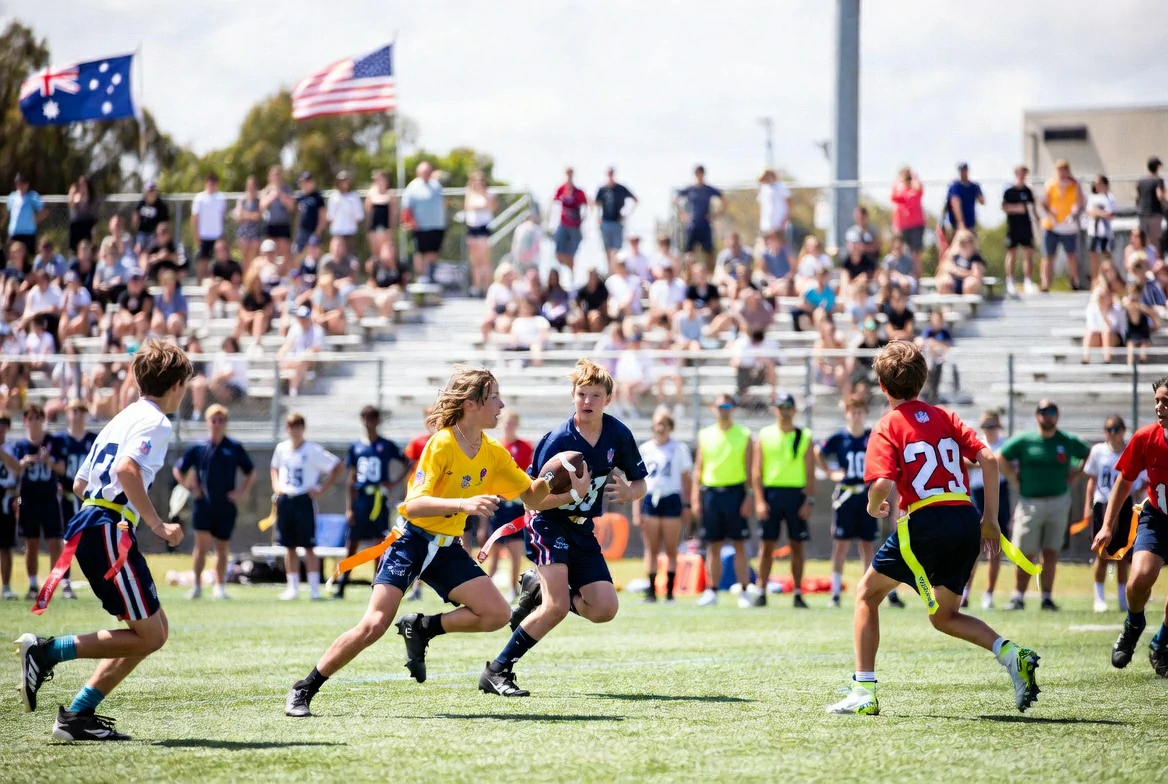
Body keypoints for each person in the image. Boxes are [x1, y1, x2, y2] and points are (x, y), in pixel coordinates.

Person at [286, 368, 551, 714]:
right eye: (494, 397)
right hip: (410, 542)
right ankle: (304, 688)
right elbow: (413, 505)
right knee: (374, 625)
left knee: (497, 614)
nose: (501, 404)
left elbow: (533, 496)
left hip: (446, 548)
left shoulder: (493, 451)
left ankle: (422, 627)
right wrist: (464, 505)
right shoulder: (442, 443)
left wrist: (564, 480)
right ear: (472, 404)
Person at [826, 340, 1041, 716]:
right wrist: (990, 520)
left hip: (925, 521)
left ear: (882, 386)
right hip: (965, 518)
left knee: (866, 596)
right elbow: (988, 459)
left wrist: (873, 506)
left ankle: (863, 691)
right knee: (944, 616)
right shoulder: (945, 416)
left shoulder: (887, 425)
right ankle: (1011, 654)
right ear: (922, 381)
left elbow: (881, 484)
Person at [16, 340, 190, 741]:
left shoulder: (120, 418)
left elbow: (80, 484)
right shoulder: (157, 422)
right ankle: (46, 652)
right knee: (151, 635)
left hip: (94, 524)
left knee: (153, 631)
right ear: (177, 385)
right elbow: (127, 470)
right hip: (109, 529)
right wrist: (157, 525)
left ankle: (78, 716)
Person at [482, 359, 645, 697]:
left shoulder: (618, 434)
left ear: (608, 399)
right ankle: (497, 670)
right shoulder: (557, 440)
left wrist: (631, 493)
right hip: (548, 523)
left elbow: (640, 482)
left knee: (604, 609)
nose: (587, 401)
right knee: (555, 608)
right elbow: (531, 500)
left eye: (595, 395)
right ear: (572, 395)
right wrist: (573, 494)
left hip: (583, 529)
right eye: (582, 394)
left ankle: (537, 587)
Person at [1094, 377, 1168, 677]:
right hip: (1157, 518)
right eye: (1157, 401)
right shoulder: (1146, 437)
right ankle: (1133, 624)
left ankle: (1161, 643)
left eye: (1166, 401)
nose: (1159, 407)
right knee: (1139, 578)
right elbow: (1124, 481)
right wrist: (1107, 526)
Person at [997, 399, 1091, 611]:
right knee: (1025, 552)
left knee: (1050, 552)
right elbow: (1001, 457)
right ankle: (1018, 596)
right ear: (1036, 415)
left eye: (1051, 411)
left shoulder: (1066, 440)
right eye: (1042, 411)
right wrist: (1013, 479)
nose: (1047, 415)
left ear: (1057, 415)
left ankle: (1047, 597)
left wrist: (1076, 475)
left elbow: (1089, 454)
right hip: (1030, 503)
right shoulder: (1025, 440)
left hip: (1059, 502)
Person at [173, 405, 256, 600]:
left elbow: (250, 471)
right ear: (207, 422)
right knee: (201, 547)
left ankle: (220, 586)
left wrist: (240, 493)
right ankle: (196, 586)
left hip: (225, 505)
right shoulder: (199, 448)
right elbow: (178, 469)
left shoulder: (233, 447)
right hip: (203, 505)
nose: (217, 424)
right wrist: (190, 487)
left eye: (221, 420)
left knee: (222, 548)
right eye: (214, 420)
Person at [334, 406, 406, 600]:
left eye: (372, 418)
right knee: (352, 542)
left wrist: (393, 483)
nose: (369, 422)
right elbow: (351, 478)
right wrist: (349, 507)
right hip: (361, 498)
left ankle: (377, 585)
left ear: (378, 421)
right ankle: (342, 585)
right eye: (365, 418)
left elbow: (407, 463)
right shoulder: (356, 447)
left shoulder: (386, 445)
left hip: (378, 499)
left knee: (379, 543)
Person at [270, 413, 344, 601]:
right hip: (286, 499)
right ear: (287, 429)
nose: (294, 430)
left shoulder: (312, 450)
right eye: (291, 426)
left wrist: (321, 489)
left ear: (303, 428)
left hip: (304, 499)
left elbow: (336, 466)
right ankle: (292, 588)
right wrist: (276, 485)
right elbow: (274, 467)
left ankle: (314, 589)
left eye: (298, 426)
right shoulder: (281, 448)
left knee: (309, 546)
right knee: (289, 546)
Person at [751, 392, 815, 609]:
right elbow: (756, 472)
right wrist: (759, 500)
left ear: (794, 410)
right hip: (772, 495)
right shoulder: (764, 435)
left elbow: (810, 472)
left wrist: (808, 500)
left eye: (788, 407)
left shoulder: (804, 435)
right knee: (766, 546)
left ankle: (797, 592)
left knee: (797, 545)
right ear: (774, 410)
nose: (784, 411)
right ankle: (761, 591)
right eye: (780, 407)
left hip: (796, 495)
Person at [691, 394, 753, 607]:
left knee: (739, 544)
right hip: (711, 494)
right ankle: (712, 590)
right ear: (713, 408)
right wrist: (695, 498)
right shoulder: (705, 435)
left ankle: (744, 591)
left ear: (733, 408)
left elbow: (750, 469)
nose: (723, 409)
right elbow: (698, 468)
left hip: (735, 493)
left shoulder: (744, 434)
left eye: (727, 405)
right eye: (719, 406)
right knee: (713, 545)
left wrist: (749, 496)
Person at [818, 395, 879, 608]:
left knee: (867, 544)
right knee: (841, 544)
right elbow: (819, 452)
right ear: (846, 413)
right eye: (853, 412)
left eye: (860, 412)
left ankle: (866, 591)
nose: (856, 416)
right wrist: (830, 473)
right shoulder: (839, 437)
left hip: (867, 495)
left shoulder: (872, 437)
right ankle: (835, 592)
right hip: (846, 496)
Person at [5, 405, 67, 600]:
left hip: (49, 499)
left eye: (38, 417)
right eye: (30, 418)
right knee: (31, 544)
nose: (34, 422)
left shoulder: (53, 442)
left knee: (55, 542)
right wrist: (23, 463)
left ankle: (52, 585)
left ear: (43, 420)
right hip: (29, 500)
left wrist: (48, 461)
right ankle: (32, 585)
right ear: (25, 421)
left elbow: (62, 469)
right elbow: (14, 470)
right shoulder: (20, 445)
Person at [1083, 415, 1143, 614]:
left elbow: (1142, 479)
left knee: (1122, 554)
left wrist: (1135, 494)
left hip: (1125, 505)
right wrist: (1087, 506)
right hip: (1102, 504)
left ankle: (1122, 597)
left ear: (1123, 430)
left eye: (1116, 429)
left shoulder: (1131, 451)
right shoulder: (1098, 451)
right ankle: (1099, 597)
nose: (1112, 433)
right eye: (1108, 429)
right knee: (1101, 552)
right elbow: (1092, 479)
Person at [633, 407, 691, 604]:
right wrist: (637, 510)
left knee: (671, 548)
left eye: (664, 424)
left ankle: (670, 592)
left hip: (671, 498)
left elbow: (685, 479)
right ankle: (651, 591)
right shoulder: (645, 449)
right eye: (657, 424)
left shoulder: (679, 448)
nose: (660, 428)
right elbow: (638, 481)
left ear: (670, 427)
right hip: (650, 499)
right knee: (651, 549)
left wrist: (687, 505)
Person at [481, 410, 533, 595]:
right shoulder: (495, 446)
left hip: (516, 506)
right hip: (498, 505)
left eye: (512, 422)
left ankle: (513, 589)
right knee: (493, 550)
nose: (508, 425)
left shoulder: (525, 447)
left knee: (515, 549)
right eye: (506, 422)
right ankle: (486, 590)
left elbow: (528, 475)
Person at [963, 411, 1012, 610]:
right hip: (977, 494)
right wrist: (988, 463)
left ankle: (988, 595)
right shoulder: (977, 443)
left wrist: (985, 463)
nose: (989, 430)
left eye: (992, 426)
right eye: (986, 426)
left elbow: (1005, 464)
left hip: (998, 494)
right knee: (972, 548)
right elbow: (965, 461)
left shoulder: (1005, 445)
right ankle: (965, 593)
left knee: (994, 548)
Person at [58, 399, 97, 594]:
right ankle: (65, 579)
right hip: (66, 497)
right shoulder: (59, 441)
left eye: (82, 411)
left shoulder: (94, 440)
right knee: (67, 540)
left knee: (94, 539)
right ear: (67, 413)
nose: (78, 415)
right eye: (74, 410)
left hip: (89, 498)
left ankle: (99, 577)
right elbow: (55, 467)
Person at [1040, 160, 1086, 290]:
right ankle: (1045, 283)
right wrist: (1050, 213)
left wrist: (1074, 214)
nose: (1062, 173)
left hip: (1068, 227)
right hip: (1052, 226)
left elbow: (1080, 203)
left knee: (1071, 255)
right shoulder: (1050, 184)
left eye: (1064, 170)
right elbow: (1044, 202)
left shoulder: (1075, 185)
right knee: (1048, 256)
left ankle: (1074, 282)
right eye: (1060, 170)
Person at [401, 161, 447, 282]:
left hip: (437, 225)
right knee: (420, 253)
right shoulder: (413, 186)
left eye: (428, 171)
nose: (426, 174)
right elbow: (406, 208)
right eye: (424, 171)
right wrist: (411, 222)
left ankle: (430, 277)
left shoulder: (436, 185)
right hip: (421, 227)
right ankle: (421, 277)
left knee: (433, 252)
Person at [675, 165, 723, 267]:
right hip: (692, 226)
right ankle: (688, 274)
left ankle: (709, 275)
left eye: (701, 174)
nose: (699, 176)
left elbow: (724, 200)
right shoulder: (690, 189)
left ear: (703, 174)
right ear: (695, 175)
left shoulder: (709, 189)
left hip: (705, 225)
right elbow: (675, 201)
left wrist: (715, 215)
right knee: (689, 254)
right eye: (697, 174)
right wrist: (682, 214)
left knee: (709, 253)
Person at [1002, 165, 1038, 297]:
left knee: (1028, 252)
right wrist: (1019, 208)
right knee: (1012, 252)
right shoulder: (1009, 191)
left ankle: (1027, 280)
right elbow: (1005, 207)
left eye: (1024, 174)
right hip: (1013, 227)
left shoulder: (1028, 191)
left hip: (1026, 227)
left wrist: (1037, 222)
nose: (1022, 176)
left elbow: (1032, 208)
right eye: (1020, 173)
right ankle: (1010, 280)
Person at [463, 171, 497, 296]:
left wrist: (483, 194)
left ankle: (487, 287)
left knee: (485, 260)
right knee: (475, 261)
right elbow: (469, 207)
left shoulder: (490, 193)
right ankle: (476, 287)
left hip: (484, 229)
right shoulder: (469, 194)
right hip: (472, 229)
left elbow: (491, 207)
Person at [595, 166, 637, 264]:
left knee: (616, 249)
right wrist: (598, 217)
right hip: (605, 222)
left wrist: (626, 214)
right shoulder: (602, 189)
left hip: (617, 222)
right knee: (607, 249)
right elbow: (597, 204)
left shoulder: (621, 189)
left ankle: (614, 268)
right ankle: (610, 269)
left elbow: (635, 200)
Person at [551, 167, 588, 272]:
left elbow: (585, 207)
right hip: (563, 224)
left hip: (575, 226)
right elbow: (554, 204)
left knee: (572, 254)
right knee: (558, 252)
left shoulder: (579, 192)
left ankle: (571, 273)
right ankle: (563, 272)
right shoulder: (561, 189)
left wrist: (582, 220)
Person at [890, 167, 925, 273]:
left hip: (916, 226)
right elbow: (892, 195)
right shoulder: (901, 193)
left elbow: (919, 187)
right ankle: (902, 275)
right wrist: (899, 179)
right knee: (900, 251)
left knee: (915, 254)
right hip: (903, 227)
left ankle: (916, 278)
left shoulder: (915, 191)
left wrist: (913, 175)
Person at [191, 173, 227, 276]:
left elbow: (222, 217)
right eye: (210, 182)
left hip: (217, 235)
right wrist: (196, 233)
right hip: (204, 235)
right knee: (202, 262)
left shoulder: (221, 198)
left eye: (214, 182)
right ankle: (200, 282)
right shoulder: (199, 198)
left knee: (220, 261)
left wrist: (223, 234)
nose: (212, 185)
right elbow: (195, 217)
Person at [260, 166, 296, 259]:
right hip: (270, 225)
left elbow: (291, 207)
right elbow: (262, 206)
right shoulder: (266, 190)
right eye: (273, 175)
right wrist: (272, 196)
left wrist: (280, 194)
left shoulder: (287, 189)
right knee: (270, 251)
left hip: (283, 224)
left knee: (285, 253)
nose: (275, 177)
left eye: (277, 175)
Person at [1086, 175, 1117, 281]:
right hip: (1094, 231)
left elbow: (1111, 214)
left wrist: (1098, 212)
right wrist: (1101, 213)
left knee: (1107, 255)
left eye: (1099, 184)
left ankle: (1110, 279)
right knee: (1094, 255)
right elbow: (1090, 212)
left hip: (1106, 232)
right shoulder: (1092, 197)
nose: (1096, 186)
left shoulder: (1110, 197)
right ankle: (1095, 280)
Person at [936, 229, 985, 296]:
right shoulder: (954, 256)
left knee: (969, 284)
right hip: (954, 282)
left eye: (969, 242)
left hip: (968, 284)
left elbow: (976, 273)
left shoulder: (976, 258)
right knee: (945, 283)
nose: (966, 245)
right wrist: (967, 272)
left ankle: (968, 302)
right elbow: (945, 269)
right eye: (962, 242)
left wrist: (958, 272)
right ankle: (947, 303)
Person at [6, 173, 46, 255]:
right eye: (19, 183)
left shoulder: (32, 196)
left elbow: (44, 210)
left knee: (28, 257)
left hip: (28, 234)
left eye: (23, 183)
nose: (21, 186)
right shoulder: (12, 197)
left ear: (27, 184)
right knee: (14, 257)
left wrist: (34, 221)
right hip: (14, 233)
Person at [0, 414, 17, 600]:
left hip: (5, 498)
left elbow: (18, 468)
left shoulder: (12, 447)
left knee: (5, 546)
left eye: (4, 423)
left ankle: (6, 586)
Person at [944, 162, 984, 239]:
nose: (964, 172)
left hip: (970, 223)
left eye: (965, 170)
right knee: (956, 244)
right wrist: (960, 222)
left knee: (971, 243)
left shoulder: (974, 186)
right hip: (955, 224)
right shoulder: (955, 186)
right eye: (962, 170)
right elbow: (955, 203)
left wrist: (976, 188)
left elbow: (982, 201)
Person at [326, 171, 363, 252]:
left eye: (345, 181)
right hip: (337, 233)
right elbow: (330, 217)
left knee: (350, 256)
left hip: (350, 232)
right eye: (341, 181)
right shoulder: (333, 197)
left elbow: (359, 216)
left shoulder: (354, 197)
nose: (343, 183)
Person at [1135, 156, 1165, 254]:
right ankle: (1154, 261)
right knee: (1155, 241)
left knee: (1143, 240)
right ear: (1157, 167)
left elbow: (1138, 198)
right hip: (1154, 213)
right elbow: (1160, 195)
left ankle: (1144, 260)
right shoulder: (1158, 180)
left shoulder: (1141, 181)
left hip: (1142, 213)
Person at [132, 181, 170, 256]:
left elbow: (165, 223)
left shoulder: (161, 206)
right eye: (149, 191)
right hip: (142, 233)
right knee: (138, 250)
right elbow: (136, 217)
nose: (151, 193)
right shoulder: (141, 203)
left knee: (152, 251)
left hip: (154, 234)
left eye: (152, 191)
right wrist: (136, 231)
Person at [233, 175, 262, 269]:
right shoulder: (242, 200)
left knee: (252, 258)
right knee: (244, 258)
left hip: (255, 233)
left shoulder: (258, 200)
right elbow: (238, 217)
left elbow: (257, 216)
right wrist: (251, 215)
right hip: (243, 233)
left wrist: (245, 214)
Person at [365, 170, 394, 261]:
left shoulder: (390, 196)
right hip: (373, 227)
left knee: (385, 252)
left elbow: (392, 214)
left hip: (385, 227)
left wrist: (391, 229)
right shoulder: (371, 194)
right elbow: (368, 211)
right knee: (375, 253)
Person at [293, 172, 326, 253]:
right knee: (298, 253)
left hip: (313, 231)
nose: (306, 184)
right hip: (302, 231)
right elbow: (299, 215)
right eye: (304, 182)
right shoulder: (300, 197)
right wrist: (297, 230)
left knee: (313, 254)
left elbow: (322, 216)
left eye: (308, 181)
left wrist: (318, 232)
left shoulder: (318, 197)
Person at [67, 175, 98, 254]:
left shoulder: (91, 198)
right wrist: (72, 192)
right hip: (78, 224)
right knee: (74, 226)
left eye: (84, 184)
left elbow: (93, 214)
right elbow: (71, 204)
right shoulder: (76, 197)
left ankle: (91, 251)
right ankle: (74, 250)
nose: (83, 186)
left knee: (93, 231)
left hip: (89, 223)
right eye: (81, 184)